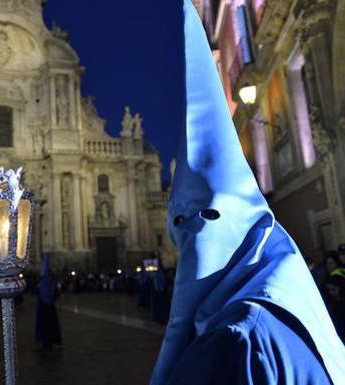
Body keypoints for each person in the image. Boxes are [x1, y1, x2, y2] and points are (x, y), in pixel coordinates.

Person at [149, 2, 345, 384]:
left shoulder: (235, 341)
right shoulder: (297, 302)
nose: (191, 235)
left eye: (198, 218)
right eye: (179, 224)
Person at [35, 253, 62, 348]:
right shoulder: (47, 282)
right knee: (49, 325)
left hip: (44, 308)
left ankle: (45, 340)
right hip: (48, 308)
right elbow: (50, 295)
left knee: (45, 324)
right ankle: (48, 340)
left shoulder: (42, 282)